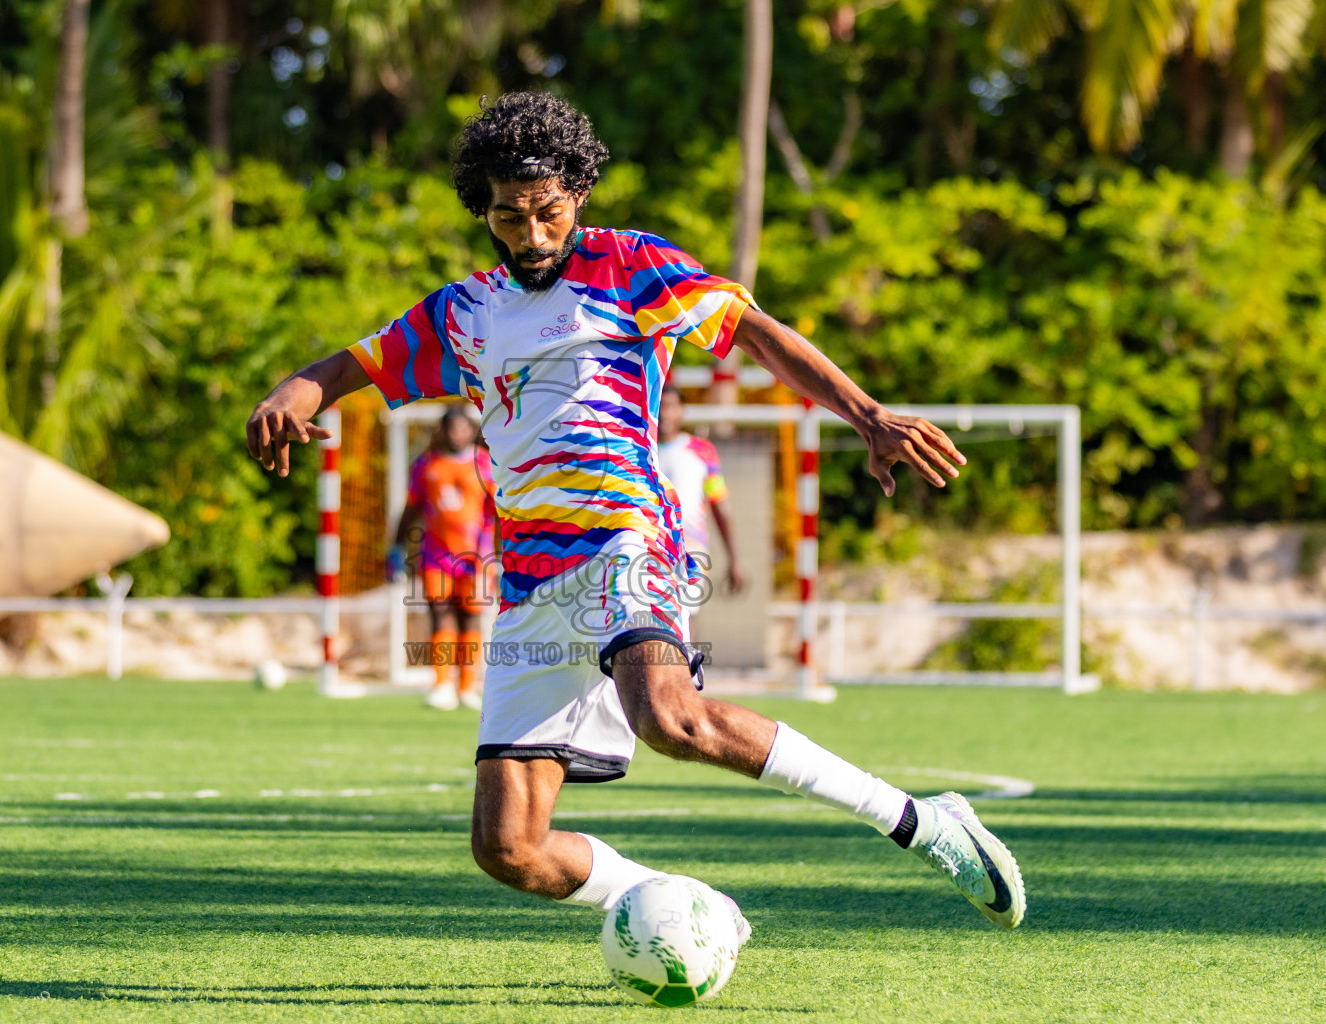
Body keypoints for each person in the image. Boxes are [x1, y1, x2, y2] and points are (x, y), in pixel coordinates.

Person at [247, 92, 1024, 935]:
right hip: (528, 580)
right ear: (486, 211)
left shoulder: (633, 267)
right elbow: (357, 362)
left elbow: (756, 333)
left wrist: (870, 414)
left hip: (628, 537)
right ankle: (680, 905)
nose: (534, 234)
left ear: (578, 192)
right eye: (511, 217)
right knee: (508, 848)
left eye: (548, 212)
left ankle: (920, 821)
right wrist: (299, 386)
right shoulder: (463, 312)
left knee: (670, 717)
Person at [388, 406, 497, 710]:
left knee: (472, 615)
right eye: (451, 428)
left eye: (463, 428)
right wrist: (396, 548)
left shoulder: (485, 463)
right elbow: (411, 508)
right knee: (441, 613)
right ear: (442, 430)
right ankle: (441, 685)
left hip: (478, 555)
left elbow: (499, 512)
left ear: (472, 431)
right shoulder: (427, 465)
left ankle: (466, 687)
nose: (457, 434)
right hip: (436, 554)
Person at [656, 384, 743, 598]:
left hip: (691, 545)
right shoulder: (638, 450)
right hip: (648, 542)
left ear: (681, 410)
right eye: (660, 407)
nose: (665, 413)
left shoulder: (702, 451)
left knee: (686, 613)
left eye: (671, 406)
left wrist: (733, 559)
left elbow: (719, 505)